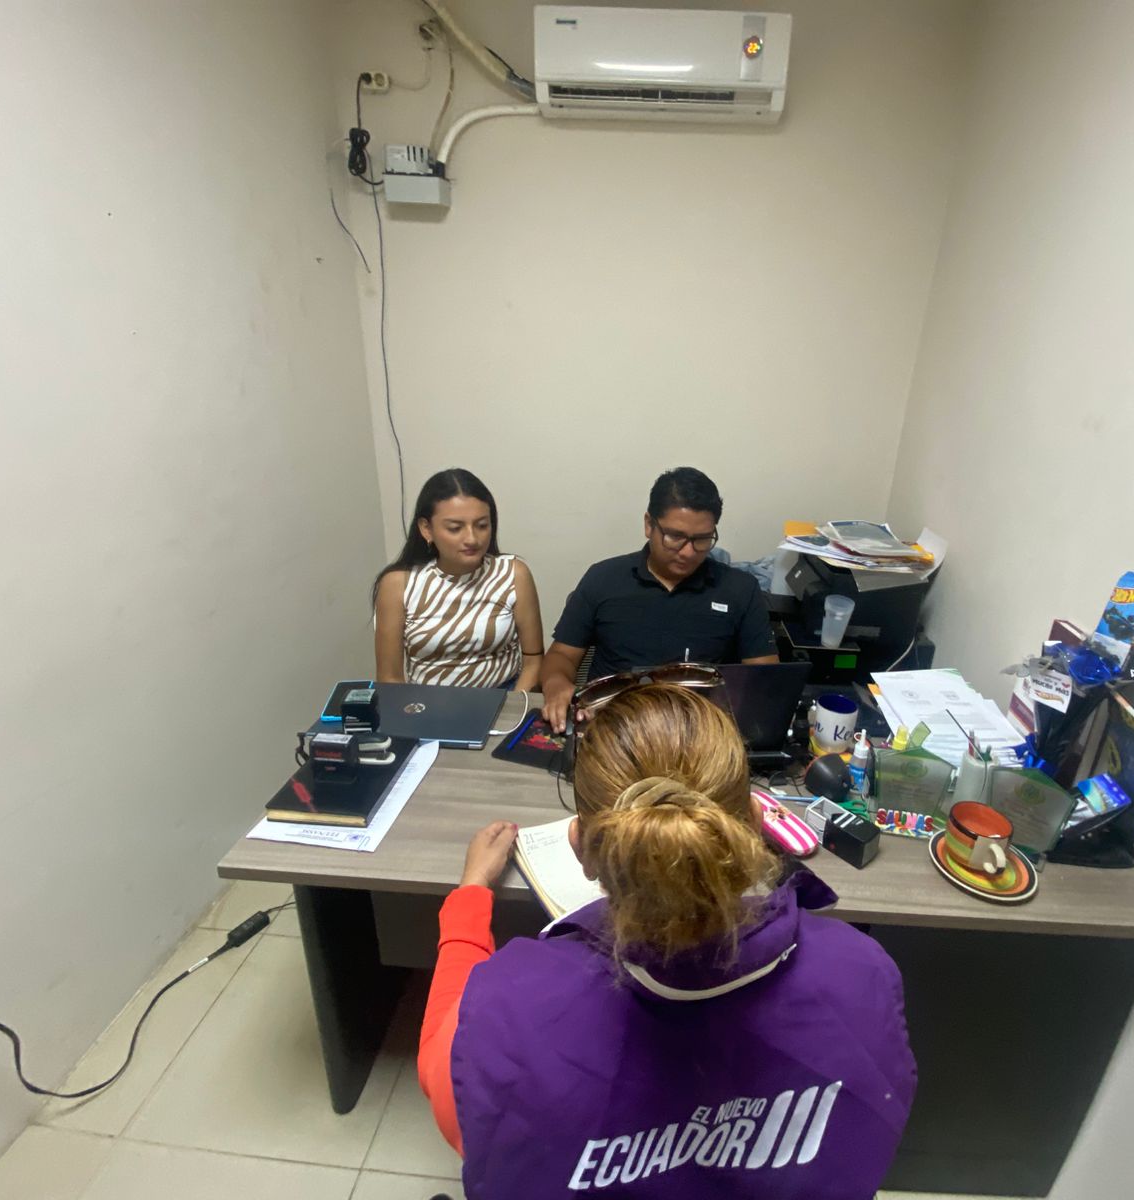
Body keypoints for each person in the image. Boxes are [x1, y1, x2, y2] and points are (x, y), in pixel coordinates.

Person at [416, 684, 916, 1199]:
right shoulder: (862, 972)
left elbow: (448, 1083)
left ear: (582, 848)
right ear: (754, 823)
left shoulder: (505, 1006)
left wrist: (471, 894)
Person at [540, 467, 778, 727]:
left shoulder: (740, 589)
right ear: (648, 524)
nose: (688, 552)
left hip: (700, 728)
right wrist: (556, 684)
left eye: (702, 539)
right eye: (675, 537)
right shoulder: (604, 578)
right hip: (611, 724)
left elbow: (764, 678)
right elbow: (561, 655)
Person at [372, 468, 544, 689]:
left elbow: (534, 661)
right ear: (426, 529)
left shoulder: (513, 574)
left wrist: (514, 706)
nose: (472, 539)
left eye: (482, 525)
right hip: (427, 702)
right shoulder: (398, 584)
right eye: (455, 528)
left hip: (504, 697)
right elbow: (390, 679)